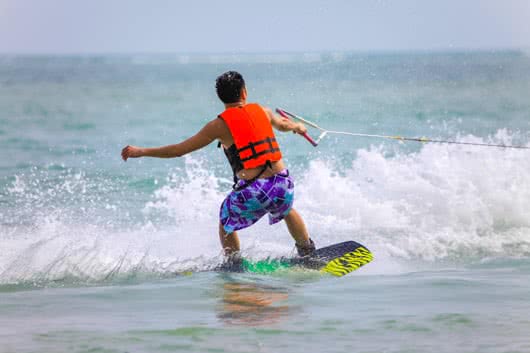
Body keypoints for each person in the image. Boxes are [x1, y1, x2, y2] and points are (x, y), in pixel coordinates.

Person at [121, 71, 315, 259]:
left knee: (226, 220)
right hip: (282, 184)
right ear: (244, 92)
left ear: (220, 97)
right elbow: (283, 124)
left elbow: (179, 150)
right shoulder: (263, 111)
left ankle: (234, 262)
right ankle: (307, 249)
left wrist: (142, 151)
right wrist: (298, 126)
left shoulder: (218, 126)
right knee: (287, 209)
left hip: (254, 191)